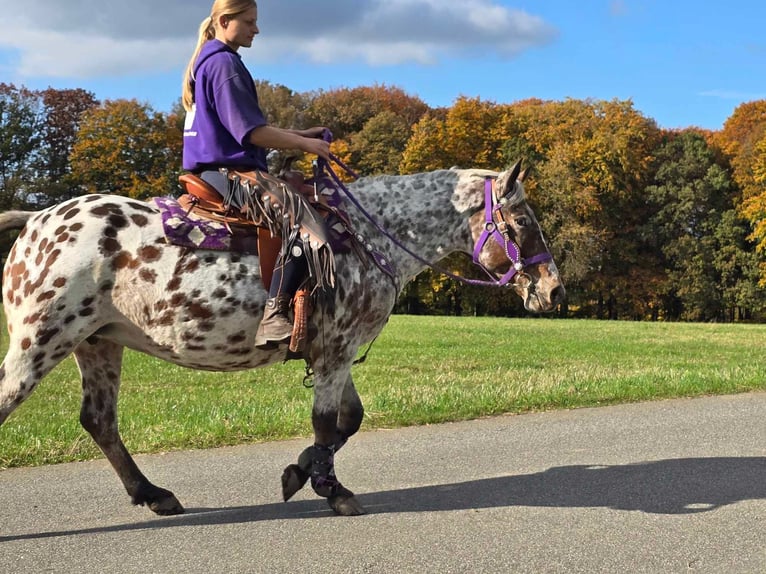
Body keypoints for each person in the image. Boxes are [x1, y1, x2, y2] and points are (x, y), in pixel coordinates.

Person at [181, 0, 331, 349]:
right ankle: (274, 314)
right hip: (230, 172)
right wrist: (308, 147)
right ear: (224, 20)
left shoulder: (210, 61)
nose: (256, 29)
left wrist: (299, 136)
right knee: (307, 225)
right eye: (249, 22)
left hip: (214, 169)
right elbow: (250, 134)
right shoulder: (224, 64)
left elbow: (247, 126)